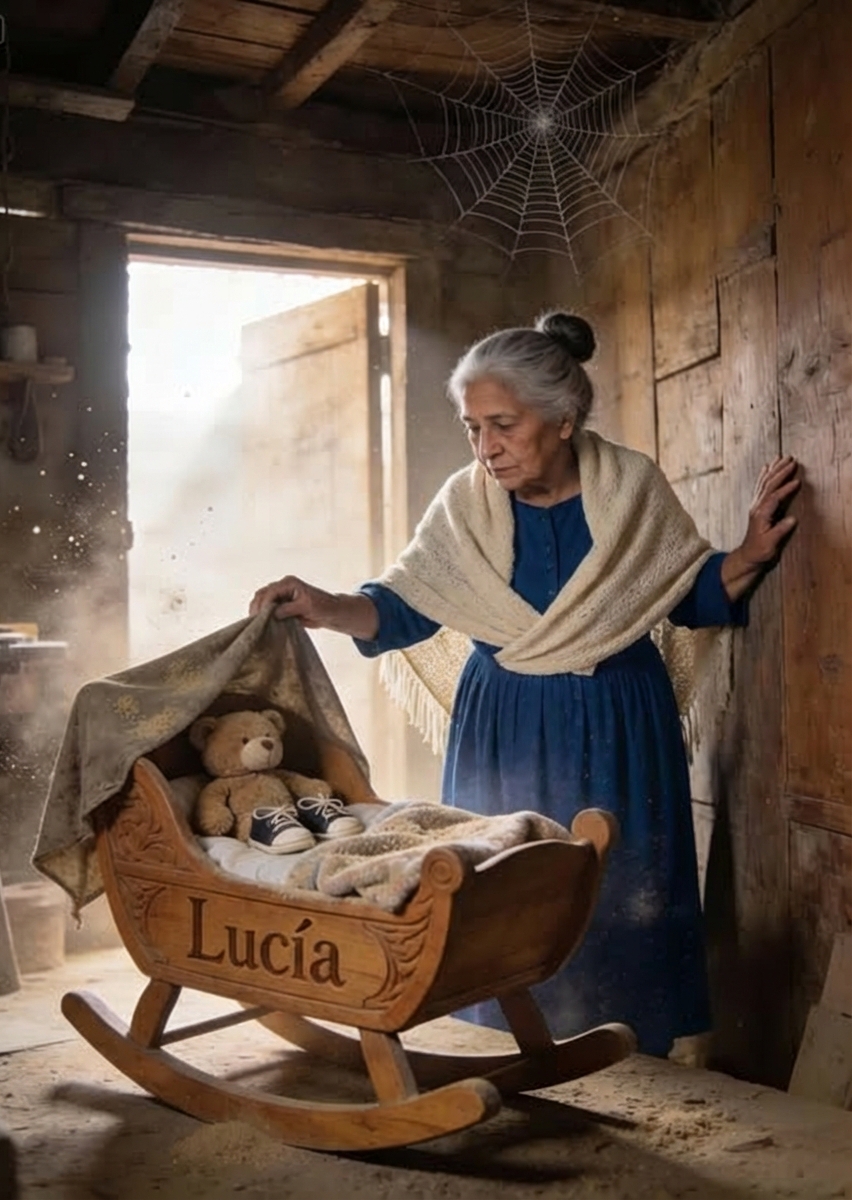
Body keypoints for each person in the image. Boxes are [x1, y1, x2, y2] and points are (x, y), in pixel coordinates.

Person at [250, 311, 799, 1056]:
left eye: (502, 425)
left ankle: (637, 1043)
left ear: (564, 418)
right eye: (472, 427)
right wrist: (323, 605)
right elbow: (404, 607)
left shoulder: (629, 486)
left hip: (619, 719)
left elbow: (689, 593)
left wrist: (751, 553)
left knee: (622, 883)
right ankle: (512, 1041)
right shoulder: (464, 502)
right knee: (498, 883)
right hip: (503, 720)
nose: (486, 447)